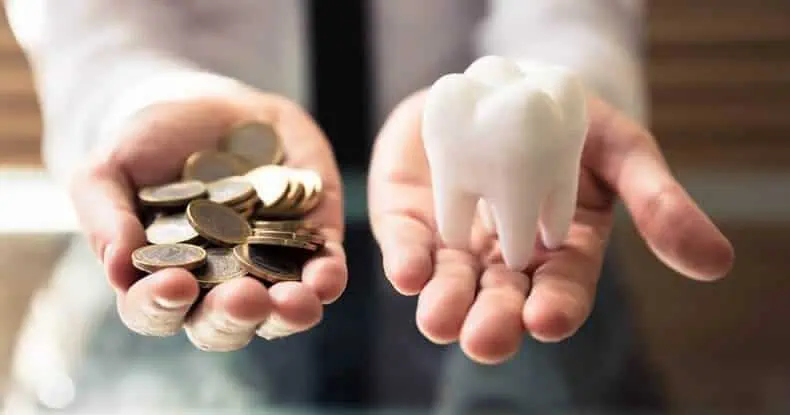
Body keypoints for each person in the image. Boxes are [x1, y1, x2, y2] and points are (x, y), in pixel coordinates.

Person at [3, 0, 734, 413]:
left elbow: (568, 12)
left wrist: (559, 88)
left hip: (475, 193)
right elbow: (90, 27)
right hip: (161, 307)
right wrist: (141, 106)